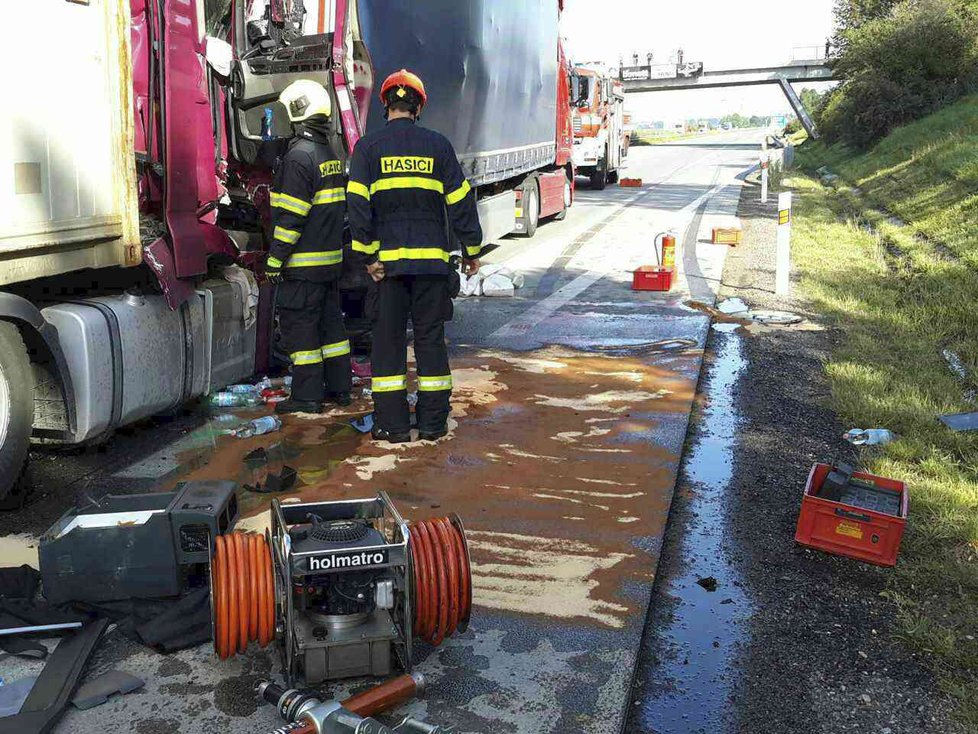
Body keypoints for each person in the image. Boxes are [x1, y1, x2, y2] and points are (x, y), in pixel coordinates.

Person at [346, 69, 483, 443]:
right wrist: (472, 249)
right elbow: (460, 201)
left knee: (387, 346)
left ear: (385, 105)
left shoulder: (368, 149)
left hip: (386, 271)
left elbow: (357, 207)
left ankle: (392, 426)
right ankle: (433, 424)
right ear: (418, 106)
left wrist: (368, 257)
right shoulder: (438, 146)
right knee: (430, 342)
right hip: (431, 269)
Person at [266, 79, 352, 414]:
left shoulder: (298, 157)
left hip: (302, 266)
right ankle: (340, 389)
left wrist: (275, 260)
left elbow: (291, 218)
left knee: (301, 333)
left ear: (297, 111)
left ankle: (306, 397)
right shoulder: (327, 153)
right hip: (329, 263)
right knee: (331, 328)